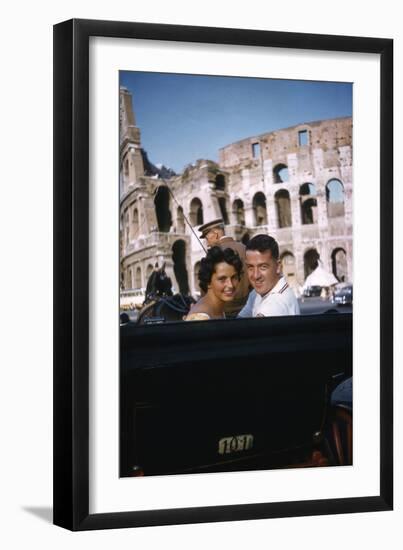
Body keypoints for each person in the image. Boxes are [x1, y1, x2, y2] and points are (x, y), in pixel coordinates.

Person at [198, 218, 250, 316]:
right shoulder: (244, 248)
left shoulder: (213, 256)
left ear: (216, 234)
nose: (207, 243)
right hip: (248, 309)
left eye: (207, 238)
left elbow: (204, 289)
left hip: (223, 313)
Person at [239, 234, 300, 317]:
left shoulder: (275, 304)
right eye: (250, 267)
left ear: (278, 267)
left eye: (263, 267)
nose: (256, 275)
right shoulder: (257, 293)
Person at [185, 246, 242, 321]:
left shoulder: (218, 309)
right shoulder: (200, 318)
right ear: (208, 282)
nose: (230, 285)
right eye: (222, 279)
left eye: (234, 277)